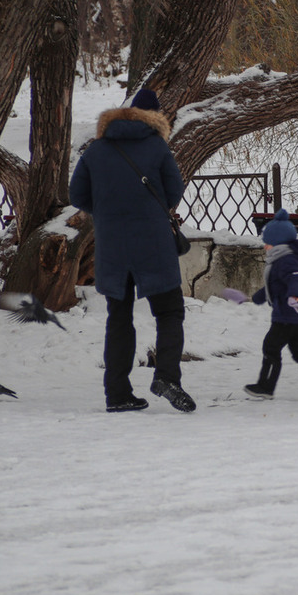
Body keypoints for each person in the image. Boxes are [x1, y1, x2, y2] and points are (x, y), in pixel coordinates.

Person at [69, 88, 196, 413]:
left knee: (119, 317)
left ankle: (118, 394)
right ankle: (167, 376)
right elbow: (173, 192)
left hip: (112, 244)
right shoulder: (156, 146)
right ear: (154, 118)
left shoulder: (97, 150)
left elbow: (77, 194)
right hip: (152, 242)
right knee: (169, 312)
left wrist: (107, 212)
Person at [242, 210, 298, 401]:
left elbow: (296, 280)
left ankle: (265, 386)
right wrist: (256, 298)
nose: (265, 246)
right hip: (295, 315)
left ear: (277, 243)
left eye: (267, 242)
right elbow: (275, 286)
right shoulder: (282, 259)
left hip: (288, 313)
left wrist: (295, 297)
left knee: (271, 347)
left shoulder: (286, 260)